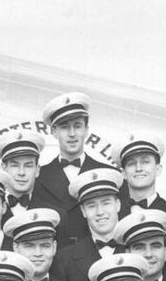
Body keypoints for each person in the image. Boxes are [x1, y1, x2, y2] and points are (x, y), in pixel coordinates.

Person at [111, 133, 166, 281]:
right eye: (131, 163)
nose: (138, 168)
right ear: (123, 173)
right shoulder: (109, 214)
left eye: (145, 162)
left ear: (158, 169)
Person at [36, 92, 113, 245]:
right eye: (64, 127)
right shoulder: (39, 177)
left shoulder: (108, 174)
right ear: (54, 132)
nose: (72, 134)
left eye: (77, 126)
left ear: (86, 130)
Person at [4, 206, 96, 281]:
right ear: (15, 248)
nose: (37, 253)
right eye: (29, 246)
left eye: (45, 246)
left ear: (54, 247)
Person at [55, 167, 125, 281]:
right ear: (83, 211)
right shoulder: (65, 260)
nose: (100, 212)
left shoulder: (137, 249)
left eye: (106, 203)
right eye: (91, 206)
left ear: (118, 205)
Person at [0, 128, 46, 217]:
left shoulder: (51, 211)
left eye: (28, 166)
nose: (21, 173)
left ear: (37, 170)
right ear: (3, 168)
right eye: (15, 165)